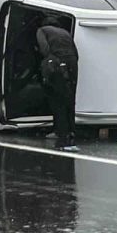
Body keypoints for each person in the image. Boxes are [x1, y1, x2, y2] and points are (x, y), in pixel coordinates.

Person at [36, 16, 79, 151]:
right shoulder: (65, 33)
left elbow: (44, 48)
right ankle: (71, 129)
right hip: (72, 63)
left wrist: (47, 63)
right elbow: (76, 53)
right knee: (69, 98)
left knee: (56, 97)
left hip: (57, 63)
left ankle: (61, 131)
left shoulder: (42, 30)